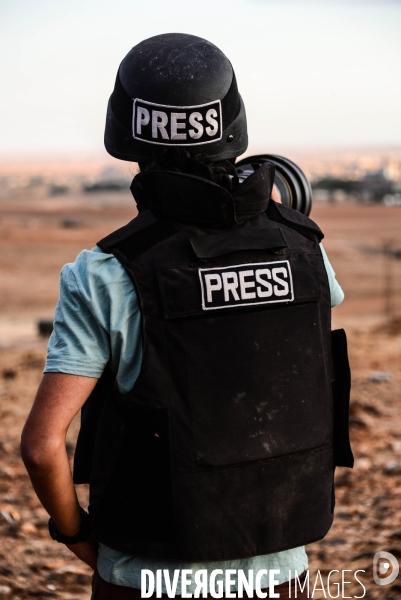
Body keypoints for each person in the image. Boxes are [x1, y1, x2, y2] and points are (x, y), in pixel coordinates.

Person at [21, 33, 348, 600]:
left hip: (146, 575)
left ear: (125, 130)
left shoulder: (104, 273)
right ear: (232, 126)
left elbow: (41, 445)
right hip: (282, 571)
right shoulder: (305, 247)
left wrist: (73, 534)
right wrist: (260, 222)